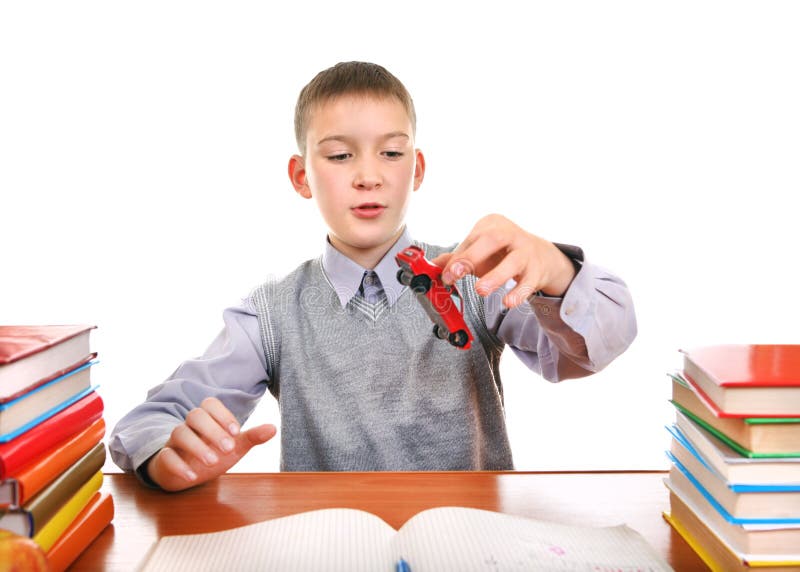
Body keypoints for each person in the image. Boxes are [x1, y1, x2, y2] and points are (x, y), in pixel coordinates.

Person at [110, 61, 637, 491]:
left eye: (391, 152)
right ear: (302, 177)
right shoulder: (271, 313)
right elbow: (151, 419)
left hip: (469, 546)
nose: (369, 175)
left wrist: (558, 273)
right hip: (326, 548)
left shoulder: (474, 277)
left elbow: (595, 347)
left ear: (418, 168)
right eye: (340, 155)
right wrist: (167, 457)